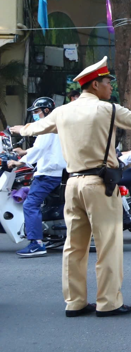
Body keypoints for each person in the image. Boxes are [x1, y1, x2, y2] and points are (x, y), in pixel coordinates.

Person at [10, 56, 131, 317]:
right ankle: (108, 302)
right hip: (100, 185)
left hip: (72, 184)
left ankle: (75, 302)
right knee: (108, 245)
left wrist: (18, 128)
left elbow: (33, 129)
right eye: (107, 83)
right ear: (95, 85)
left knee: (74, 246)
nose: (110, 87)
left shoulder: (62, 111)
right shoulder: (107, 109)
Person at [9, 97, 66, 257]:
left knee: (30, 205)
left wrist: (19, 162)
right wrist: (24, 152)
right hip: (50, 172)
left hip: (47, 174)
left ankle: (36, 243)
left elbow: (39, 149)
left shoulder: (47, 127)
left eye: (36, 112)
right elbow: (42, 148)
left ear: (46, 110)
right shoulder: (51, 126)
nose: (35, 115)